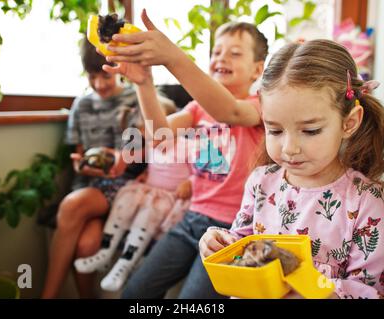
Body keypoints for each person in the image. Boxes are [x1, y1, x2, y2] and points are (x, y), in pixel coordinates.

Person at [199, 39, 384, 299]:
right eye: (275, 130)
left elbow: (369, 291)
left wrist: (299, 275)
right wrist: (218, 242)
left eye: (310, 131)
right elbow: (242, 240)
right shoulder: (261, 181)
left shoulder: (366, 202)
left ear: (349, 123)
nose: (289, 148)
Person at [101, 9, 268, 298]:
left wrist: (174, 57)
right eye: (216, 51)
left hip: (233, 229)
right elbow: (158, 136)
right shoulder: (195, 108)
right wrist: (144, 83)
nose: (221, 58)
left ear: (257, 70)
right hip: (192, 219)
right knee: (134, 293)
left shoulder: (260, 106)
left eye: (235, 53)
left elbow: (228, 110)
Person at [41, 37, 173, 298]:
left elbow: (153, 148)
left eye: (105, 76)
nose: (99, 84)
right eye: (92, 77)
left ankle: (48, 295)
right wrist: (84, 166)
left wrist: (120, 157)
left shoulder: (135, 98)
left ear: (116, 69)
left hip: (124, 184)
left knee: (70, 205)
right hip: (91, 188)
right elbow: (79, 159)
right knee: (87, 244)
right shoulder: (82, 105)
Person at [73, 110, 193, 293]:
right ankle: (105, 251)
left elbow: (200, 171)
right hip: (147, 190)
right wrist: (141, 171)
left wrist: (189, 183)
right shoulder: (153, 146)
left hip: (167, 196)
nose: (152, 141)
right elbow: (140, 160)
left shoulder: (188, 146)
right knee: (124, 202)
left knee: (146, 218)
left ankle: (124, 265)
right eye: (147, 137)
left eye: (153, 134)